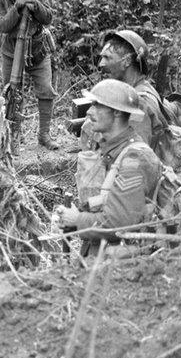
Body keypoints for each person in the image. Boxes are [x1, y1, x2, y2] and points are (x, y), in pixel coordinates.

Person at [56, 79, 162, 257]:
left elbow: (120, 222)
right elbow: (106, 203)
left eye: (97, 105)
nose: (89, 112)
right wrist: (72, 217)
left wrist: (77, 219)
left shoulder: (135, 159)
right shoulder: (111, 151)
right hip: (102, 258)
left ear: (118, 113)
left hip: (124, 267)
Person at [0, 0, 59, 152]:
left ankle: (44, 135)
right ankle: (14, 137)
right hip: (12, 52)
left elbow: (48, 17)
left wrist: (34, 4)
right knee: (13, 95)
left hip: (37, 49)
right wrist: (17, 7)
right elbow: (2, 26)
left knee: (46, 90)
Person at [96, 30, 170, 151]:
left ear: (127, 61)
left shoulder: (139, 103)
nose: (101, 64)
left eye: (107, 58)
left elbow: (136, 156)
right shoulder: (135, 91)